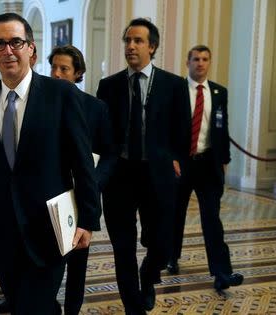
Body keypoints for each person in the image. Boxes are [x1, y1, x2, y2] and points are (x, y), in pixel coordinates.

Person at [0, 12, 101, 315]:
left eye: (16, 42)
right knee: (18, 304)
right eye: (0, 44)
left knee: (34, 306)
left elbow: (83, 163)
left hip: (51, 229)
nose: (8, 51)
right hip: (2, 230)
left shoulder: (61, 94)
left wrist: (88, 221)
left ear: (31, 48)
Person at [96, 18, 187, 314]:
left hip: (157, 176)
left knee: (161, 246)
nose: (130, 46)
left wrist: (175, 159)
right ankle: (133, 307)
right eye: (127, 40)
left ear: (152, 46)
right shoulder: (108, 86)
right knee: (123, 250)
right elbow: (101, 134)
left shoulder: (174, 85)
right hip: (119, 176)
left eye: (137, 41)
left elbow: (183, 131)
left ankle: (148, 277)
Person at [167, 45, 244, 291]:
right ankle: (172, 256)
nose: (200, 63)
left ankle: (222, 273)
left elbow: (223, 129)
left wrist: (224, 161)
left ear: (209, 62)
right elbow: (164, 128)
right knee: (176, 214)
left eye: (205, 59)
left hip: (209, 165)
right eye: (196, 59)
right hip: (182, 163)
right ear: (187, 62)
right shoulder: (176, 90)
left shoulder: (220, 92)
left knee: (212, 218)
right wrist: (170, 159)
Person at [49, 45, 116, 315]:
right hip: (47, 195)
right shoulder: (38, 103)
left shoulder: (95, 108)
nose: (56, 74)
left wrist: (92, 184)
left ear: (78, 73)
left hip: (81, 198)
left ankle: (72, 310)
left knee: (77, 261)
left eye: (64, 69)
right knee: (47, 260)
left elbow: (110, 153)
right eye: (53, 67)